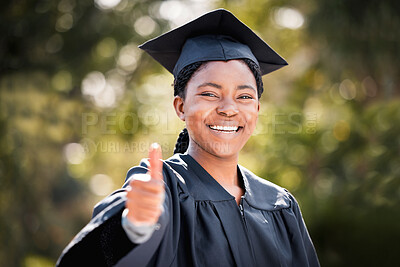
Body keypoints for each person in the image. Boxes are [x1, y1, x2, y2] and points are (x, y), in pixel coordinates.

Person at [57, 9, 320, 267]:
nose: (229, 108)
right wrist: (133, 228)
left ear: (257, 109)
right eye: (210, 94)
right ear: (181, 107)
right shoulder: (162, 187)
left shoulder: (280, 204)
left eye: (244, 96)